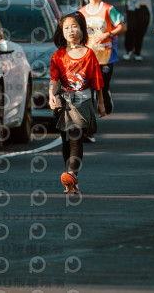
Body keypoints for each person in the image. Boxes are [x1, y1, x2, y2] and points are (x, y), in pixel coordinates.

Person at [49, 13, 106, 193]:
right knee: (66, 141)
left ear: (82, 29)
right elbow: (53, 79)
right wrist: (51, 94)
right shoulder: (58, 55)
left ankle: (72, 173)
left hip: (83, 102)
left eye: (74, 26)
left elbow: (97, 81)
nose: (71, 31)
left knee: (76, 139)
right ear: (61, 32)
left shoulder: (89, 54)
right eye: (66, 28)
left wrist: (101, 103)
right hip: (64, 104)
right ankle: (71, 179)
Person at [78, 0, 126, 141]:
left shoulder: (108, 9)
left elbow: (122, 27)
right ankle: (88, 130)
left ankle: (106, 96)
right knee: (88, 92)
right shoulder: (81, 12)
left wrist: (108, 34)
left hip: (105, 55)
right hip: (87, 57)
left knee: (102, 86)